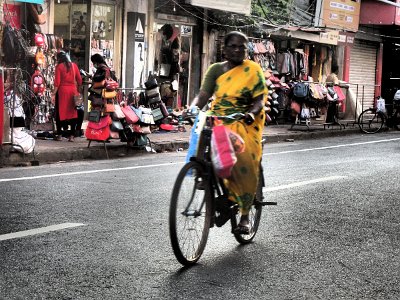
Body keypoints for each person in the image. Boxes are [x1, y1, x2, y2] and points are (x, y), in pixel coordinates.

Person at [189, 31, 267, 234]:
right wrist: (193, 108)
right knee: (200, 140)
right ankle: (204, 175)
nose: (238, 50)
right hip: (217, 119)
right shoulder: (215, 70)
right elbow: (204, 95)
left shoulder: (253, 70)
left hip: (243, 122)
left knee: (244, 160)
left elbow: (259, 100)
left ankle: (244, 216)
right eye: (233, 46)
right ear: (224, 49)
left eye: (242, 46)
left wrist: (250, 114)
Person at [52, 51, 82, 142]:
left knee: (60, 113)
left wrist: (53, 94)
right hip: (73, 91)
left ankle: (60, 135)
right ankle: (71, 136)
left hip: (62, 92)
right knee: (73, 113)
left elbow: (57, 83)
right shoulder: (74, 66)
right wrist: (78, 90)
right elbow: (79, 80)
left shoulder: (59, 67)